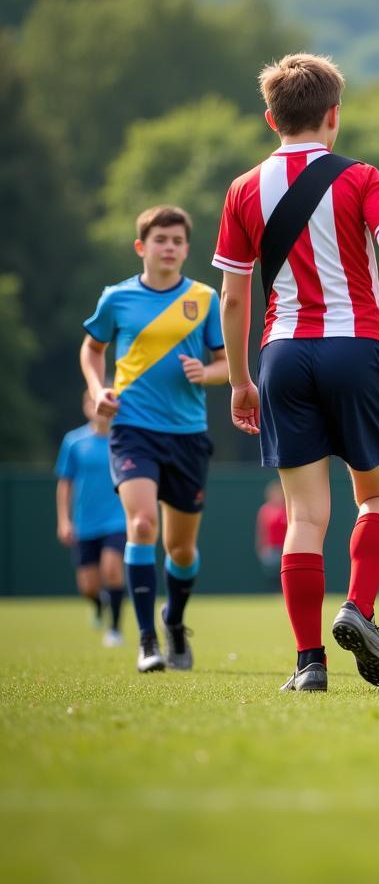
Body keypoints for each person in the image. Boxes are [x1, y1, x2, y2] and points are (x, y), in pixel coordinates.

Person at [214, 52, 379, 693]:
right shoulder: (361, 177)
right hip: (356, 348)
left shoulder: (244, 188)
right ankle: (358, 608)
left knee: (305, 518)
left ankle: (310, 665)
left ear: (269, 118)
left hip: (281, 355)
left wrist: (239, 380)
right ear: (334, 116)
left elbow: (232, 297)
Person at [81, 206, 227, 673]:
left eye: (178, 241)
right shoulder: (116, 299)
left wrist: (205, 372)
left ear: (187, 249)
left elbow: (228, 365)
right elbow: (92, 347)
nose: (169, 247)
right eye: (160, 239)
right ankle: (146, 641)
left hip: (187, 436)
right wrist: (96, 388)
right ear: (141, 247)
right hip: (132, 432)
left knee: (181, 550)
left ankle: (175, 621)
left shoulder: (204, 299)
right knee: (142, 525)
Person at [55, 390, 128, 647]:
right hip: (85, 522)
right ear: (87, 406)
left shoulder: (125, 439)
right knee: (88, 586)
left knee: (112, 568)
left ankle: (116, 629)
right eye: (93, 401)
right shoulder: (74, 442)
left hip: (117, 519)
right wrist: (64, 520)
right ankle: (98, 604)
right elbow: (65, 483)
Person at [255, 480, 288, 588]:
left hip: (284, 549)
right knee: (272, 576)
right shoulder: (265, 510)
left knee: (285, 574)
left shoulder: (286, 509)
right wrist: (261, 548)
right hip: (271, 549)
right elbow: (262, 531)